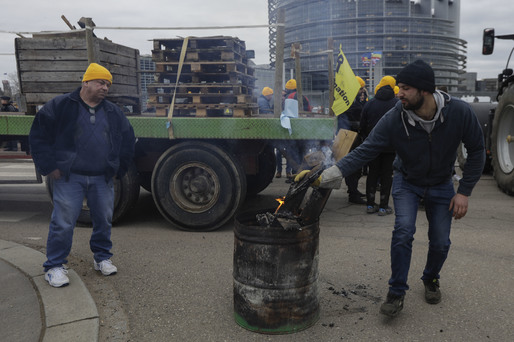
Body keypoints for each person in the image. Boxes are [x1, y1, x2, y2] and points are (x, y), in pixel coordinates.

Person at [298, 60, 485, 317]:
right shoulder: (395, 117)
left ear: (425, 91)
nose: (400, 93)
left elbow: (477, 150)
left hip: (442, 184)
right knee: (403, 232)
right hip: (407, 181)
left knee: (440, 242)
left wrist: (464, 191)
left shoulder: (459, 113)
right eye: (400, 87)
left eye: (406, 88)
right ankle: (396, 292)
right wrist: (331, 173)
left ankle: (430, 278)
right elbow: (366, 150)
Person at [29, 63, 136, 288]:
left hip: (101, 178)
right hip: (70, 177)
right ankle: (55, 266)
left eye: (107, 84)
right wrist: (49, 166)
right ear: (85, 82)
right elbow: (38, 135)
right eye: (100, 82)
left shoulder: (113, 112)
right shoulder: (61, 106)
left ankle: (102, 257)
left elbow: (127, 140)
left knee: (104, 220)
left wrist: (119, 168)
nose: (105, 88)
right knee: (64, 222)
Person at [360, 76, 399, 215]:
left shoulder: (369, 104)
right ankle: (383, 206)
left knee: (372, 173)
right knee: (387, 176)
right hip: (390, 147)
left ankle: (370, 205)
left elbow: (362, 125)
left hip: (372, 146)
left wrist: (367, 138)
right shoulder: (397, 104)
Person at [336, 76, 367, 204]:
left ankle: (353, 190)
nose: (363, 91)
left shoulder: (352, 100)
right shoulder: (349, 102)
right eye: (361, 89)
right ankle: (353, 193)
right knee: (353, 166)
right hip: (350, 137)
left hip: (351, 136)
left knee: (355, 166)